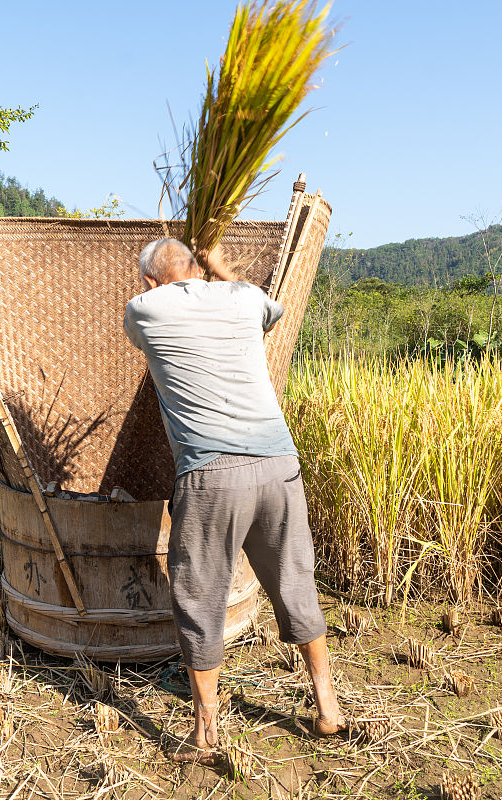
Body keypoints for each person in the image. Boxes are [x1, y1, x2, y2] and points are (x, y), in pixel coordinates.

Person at [123, 237, 344, 760]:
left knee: (199, 597)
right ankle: (328, 706)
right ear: (196, 266)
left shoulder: (144, 308)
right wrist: (220, 268)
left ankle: (204, 733)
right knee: (294, 580)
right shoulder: (245, 296)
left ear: (150, 280)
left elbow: (151, 335)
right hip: (278, 463)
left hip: (211, 475)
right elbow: (272, 311)